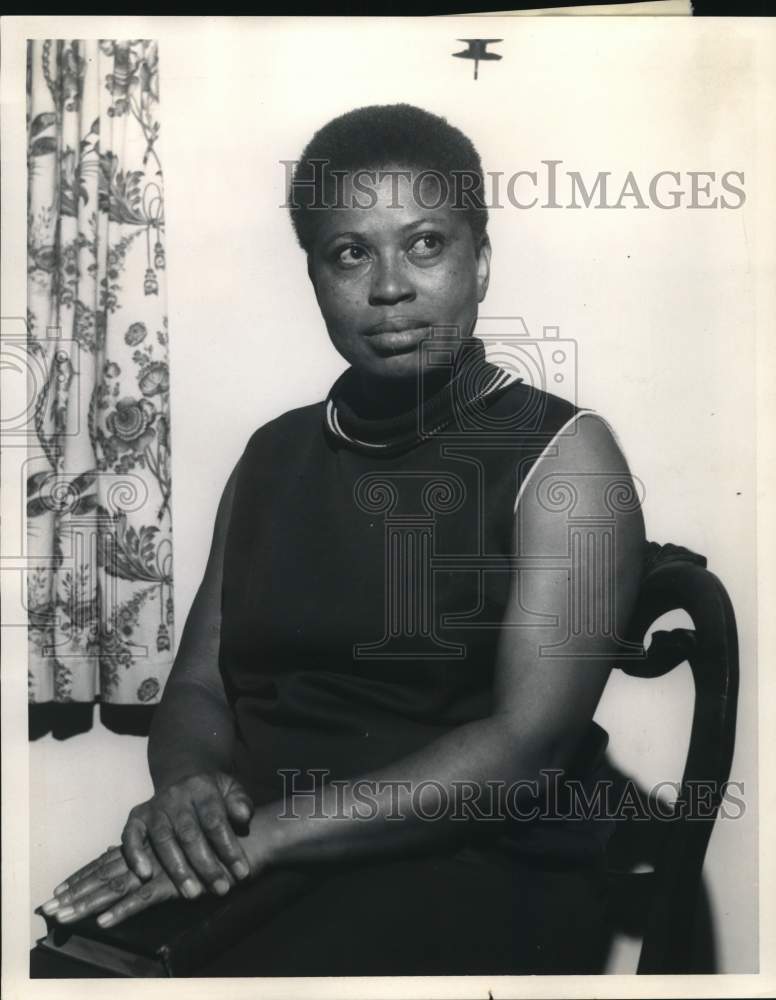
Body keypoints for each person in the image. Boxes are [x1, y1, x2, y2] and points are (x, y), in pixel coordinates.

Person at [39, 104, 646, 976]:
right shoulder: (274, 454)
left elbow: (526, 750)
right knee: (64, 967)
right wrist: (190, 798)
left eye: (426, 244)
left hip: (461, 866)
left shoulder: (565, 454)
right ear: (317, 277)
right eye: (351, 252)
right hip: (261, 851)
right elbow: (201, 688)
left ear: (481, 262)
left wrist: (267, 842)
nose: (389, 286)